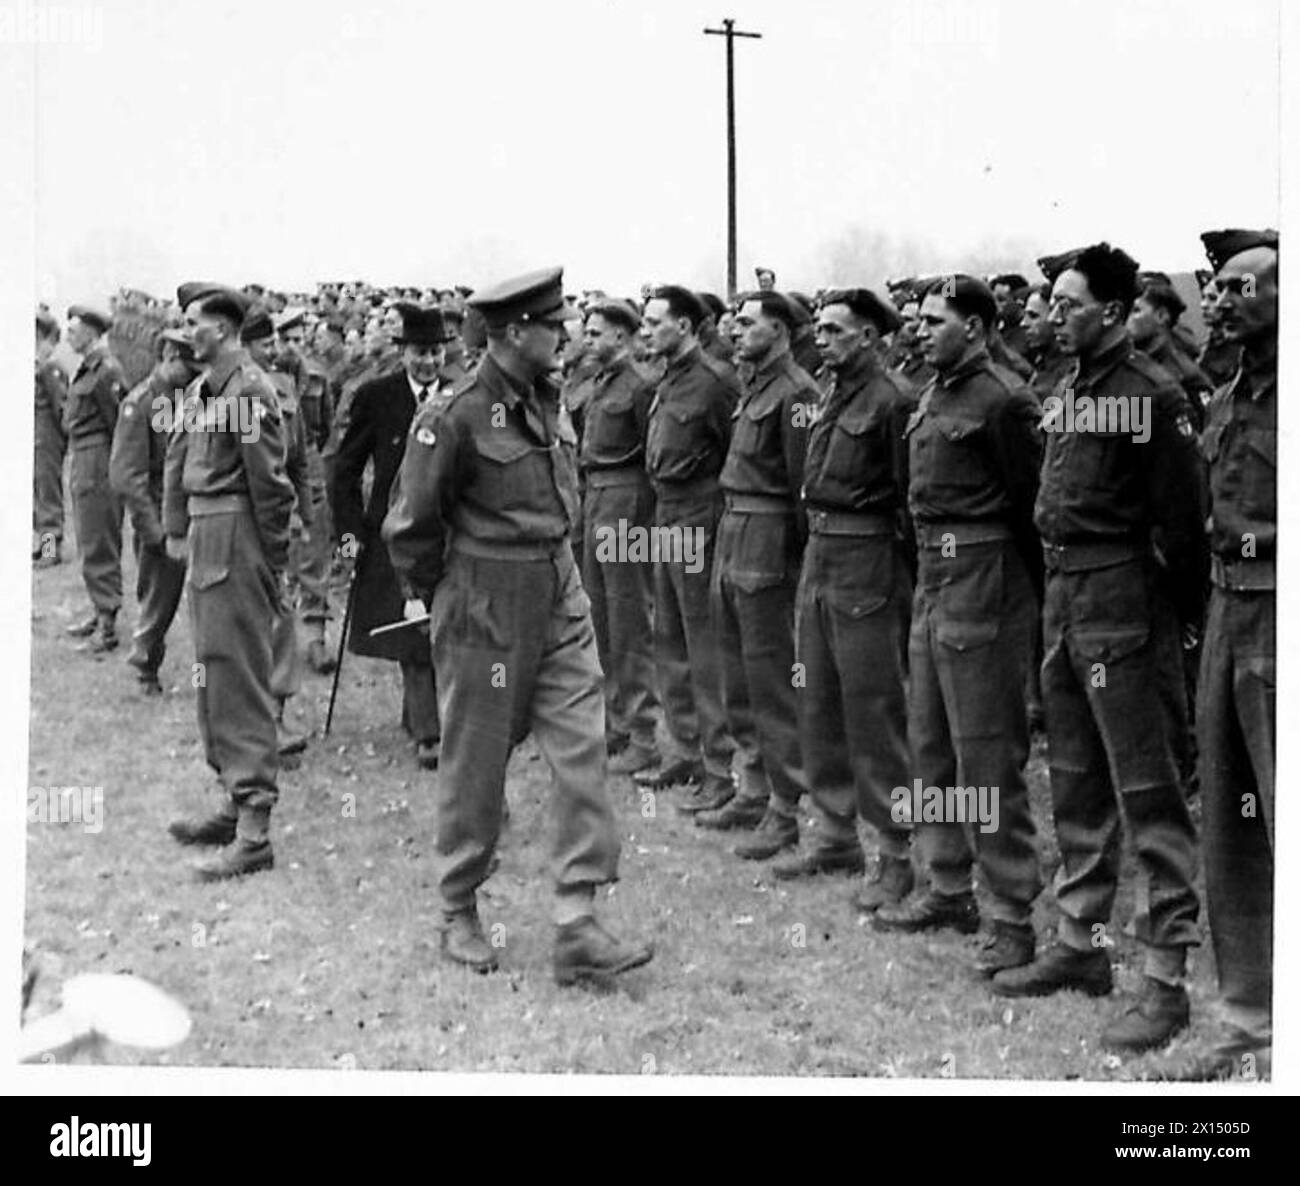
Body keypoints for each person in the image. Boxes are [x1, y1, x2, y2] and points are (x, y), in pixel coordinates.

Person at [382, 266, 654, 984]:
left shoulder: (548, 398)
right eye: (552, 325)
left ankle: (576, 921)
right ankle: (458, 906)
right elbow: (410, 527)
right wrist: (449, 595)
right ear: (510, 334)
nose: (564, 335)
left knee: (582, 749)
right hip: (483, 599)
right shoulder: (454, 414)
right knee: (474, 764)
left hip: (557, 592)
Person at [992, 244, 1206, 1056]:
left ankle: (1165, 978)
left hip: (1122, 601)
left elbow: (1182, 527)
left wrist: (1165, 617)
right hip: (1064, 596)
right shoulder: (1071, 387)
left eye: (1069, 303)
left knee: (1147, 788)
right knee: (1076, 777)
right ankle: (1080, 945)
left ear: (1112, 313)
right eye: (1052, 302)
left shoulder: (1149, 394)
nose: (1052, 314)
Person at [874, 276, 1044, 983]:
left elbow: (1030, 507)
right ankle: (947, 886)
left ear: (974, 327)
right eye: (916, 320)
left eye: (935, 320)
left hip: (985, 579)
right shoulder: (930, 397)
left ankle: (1010, 916)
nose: (919, 330)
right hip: (936, 582)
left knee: (987, 755)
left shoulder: (1005, 400)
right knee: (931, 742)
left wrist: (1013, 598)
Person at [1173, 228, 1278, 1079]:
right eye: (1217, 289)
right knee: (1230, 824)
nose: (1220, 300)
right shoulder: (1229, 391)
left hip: (1283, 611)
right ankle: (1248, 1014)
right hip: (1227, 604)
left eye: (1242, 288)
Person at [774, 288, 917, 906]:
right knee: (817, 696)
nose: (823, 340)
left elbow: (909, 499)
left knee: (874, 707)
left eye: (835, 331)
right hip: (822, 557)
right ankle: (835, 831)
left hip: (868, 560)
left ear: (869, 337)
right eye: (821, 331)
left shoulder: (893, 401)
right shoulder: (831, 392)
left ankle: (897, 849)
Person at [163, 284, 296, 882]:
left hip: (237, 533)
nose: (185, 329)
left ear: (222, 328)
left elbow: (270, 486)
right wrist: (173, 530)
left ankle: (255, 830)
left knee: (238, 675)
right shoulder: (201, 390)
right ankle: (232, 800)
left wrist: (271, 559)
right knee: (213, 673)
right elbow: (177, 462)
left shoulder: (250, 390)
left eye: (193, 321)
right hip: (204, 530)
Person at [693, 291, 814, 860]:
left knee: (770, 679)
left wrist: (790, 563)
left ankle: (786, 807)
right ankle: (753, 785)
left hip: (767, 540)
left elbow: (801, 490)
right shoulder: (756, 387)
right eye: (733, 323)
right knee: (737, 674)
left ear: (781, 330)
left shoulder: (796, 393)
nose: (734, 331)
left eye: (747, 324)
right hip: (734, 529)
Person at [634, 286, 739, 809]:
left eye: (655, 323)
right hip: (666, 510)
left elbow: (730, 455)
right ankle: (686, 748)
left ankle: (720, 766)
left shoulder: (716, 383)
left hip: (699, 512)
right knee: (668, 638)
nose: (646, 331)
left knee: (704, 644)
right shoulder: (666, 379)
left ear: (685, 327)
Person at [333, 303, 446, 769]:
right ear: (403, 353)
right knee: (412, 623)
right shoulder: (376, 396)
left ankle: (419, 714)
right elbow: (344, 472)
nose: (428, 362)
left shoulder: (458, 397)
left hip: (443, 532)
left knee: (437, 623)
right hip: (390, 531)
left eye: (437, 353)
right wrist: (350, 533)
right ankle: (429, 731)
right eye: (420, 353)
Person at [576, 299, 660, 775]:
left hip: (627, 501)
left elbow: (652, 457)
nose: (588, 339)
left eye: (596, 332)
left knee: (629, 619)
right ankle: (614, 723)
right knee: (601, 616)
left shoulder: (642, 386)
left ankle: (644, 732)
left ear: (623, 337)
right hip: (597, 498)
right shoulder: (602, 382)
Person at [108, 328, 198, 693]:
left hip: (191, 509)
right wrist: (155, 532)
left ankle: (206, 673)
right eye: (188, 365)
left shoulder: (186, 397)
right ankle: (146, 667)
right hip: (159, 517)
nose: (195, 373)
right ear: (171, 356)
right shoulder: (142, 401)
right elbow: (127, 476)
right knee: (158, 601)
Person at [242, 308, 313, 757]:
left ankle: (275, 715)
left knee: (282, 615)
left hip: (280, 517)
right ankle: (253, 718)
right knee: (252, 617)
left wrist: (303, 514)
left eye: (275, 342)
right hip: (246, 520)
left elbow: (300, 460)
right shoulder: (233, 394)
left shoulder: (284, 390)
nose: (275, 350)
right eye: (265, 343)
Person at [63, 305, 128, 653]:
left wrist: (115, 469)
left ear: (92, 332)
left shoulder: (106, 370)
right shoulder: (87, 368)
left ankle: (107, 625)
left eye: (74, 328)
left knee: (100, 540)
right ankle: (98, 609)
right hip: (83, 459)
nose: (68, 334)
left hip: (99, 462)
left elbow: (119, 422)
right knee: (89, 539)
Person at [1128, 280, 1213, 431]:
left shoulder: (1183, 374)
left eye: (1135, 311)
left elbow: (1205, 430)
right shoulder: (1132, 363)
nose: (1125, 320)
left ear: (1161, 316)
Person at [34, 311, 69, 568]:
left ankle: (50, 549)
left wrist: (60, 439)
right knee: (37, 494)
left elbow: (61, 408)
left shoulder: (50, 368)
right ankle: (43, 545)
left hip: (47, 438)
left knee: (47, 497)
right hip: (38, 437)